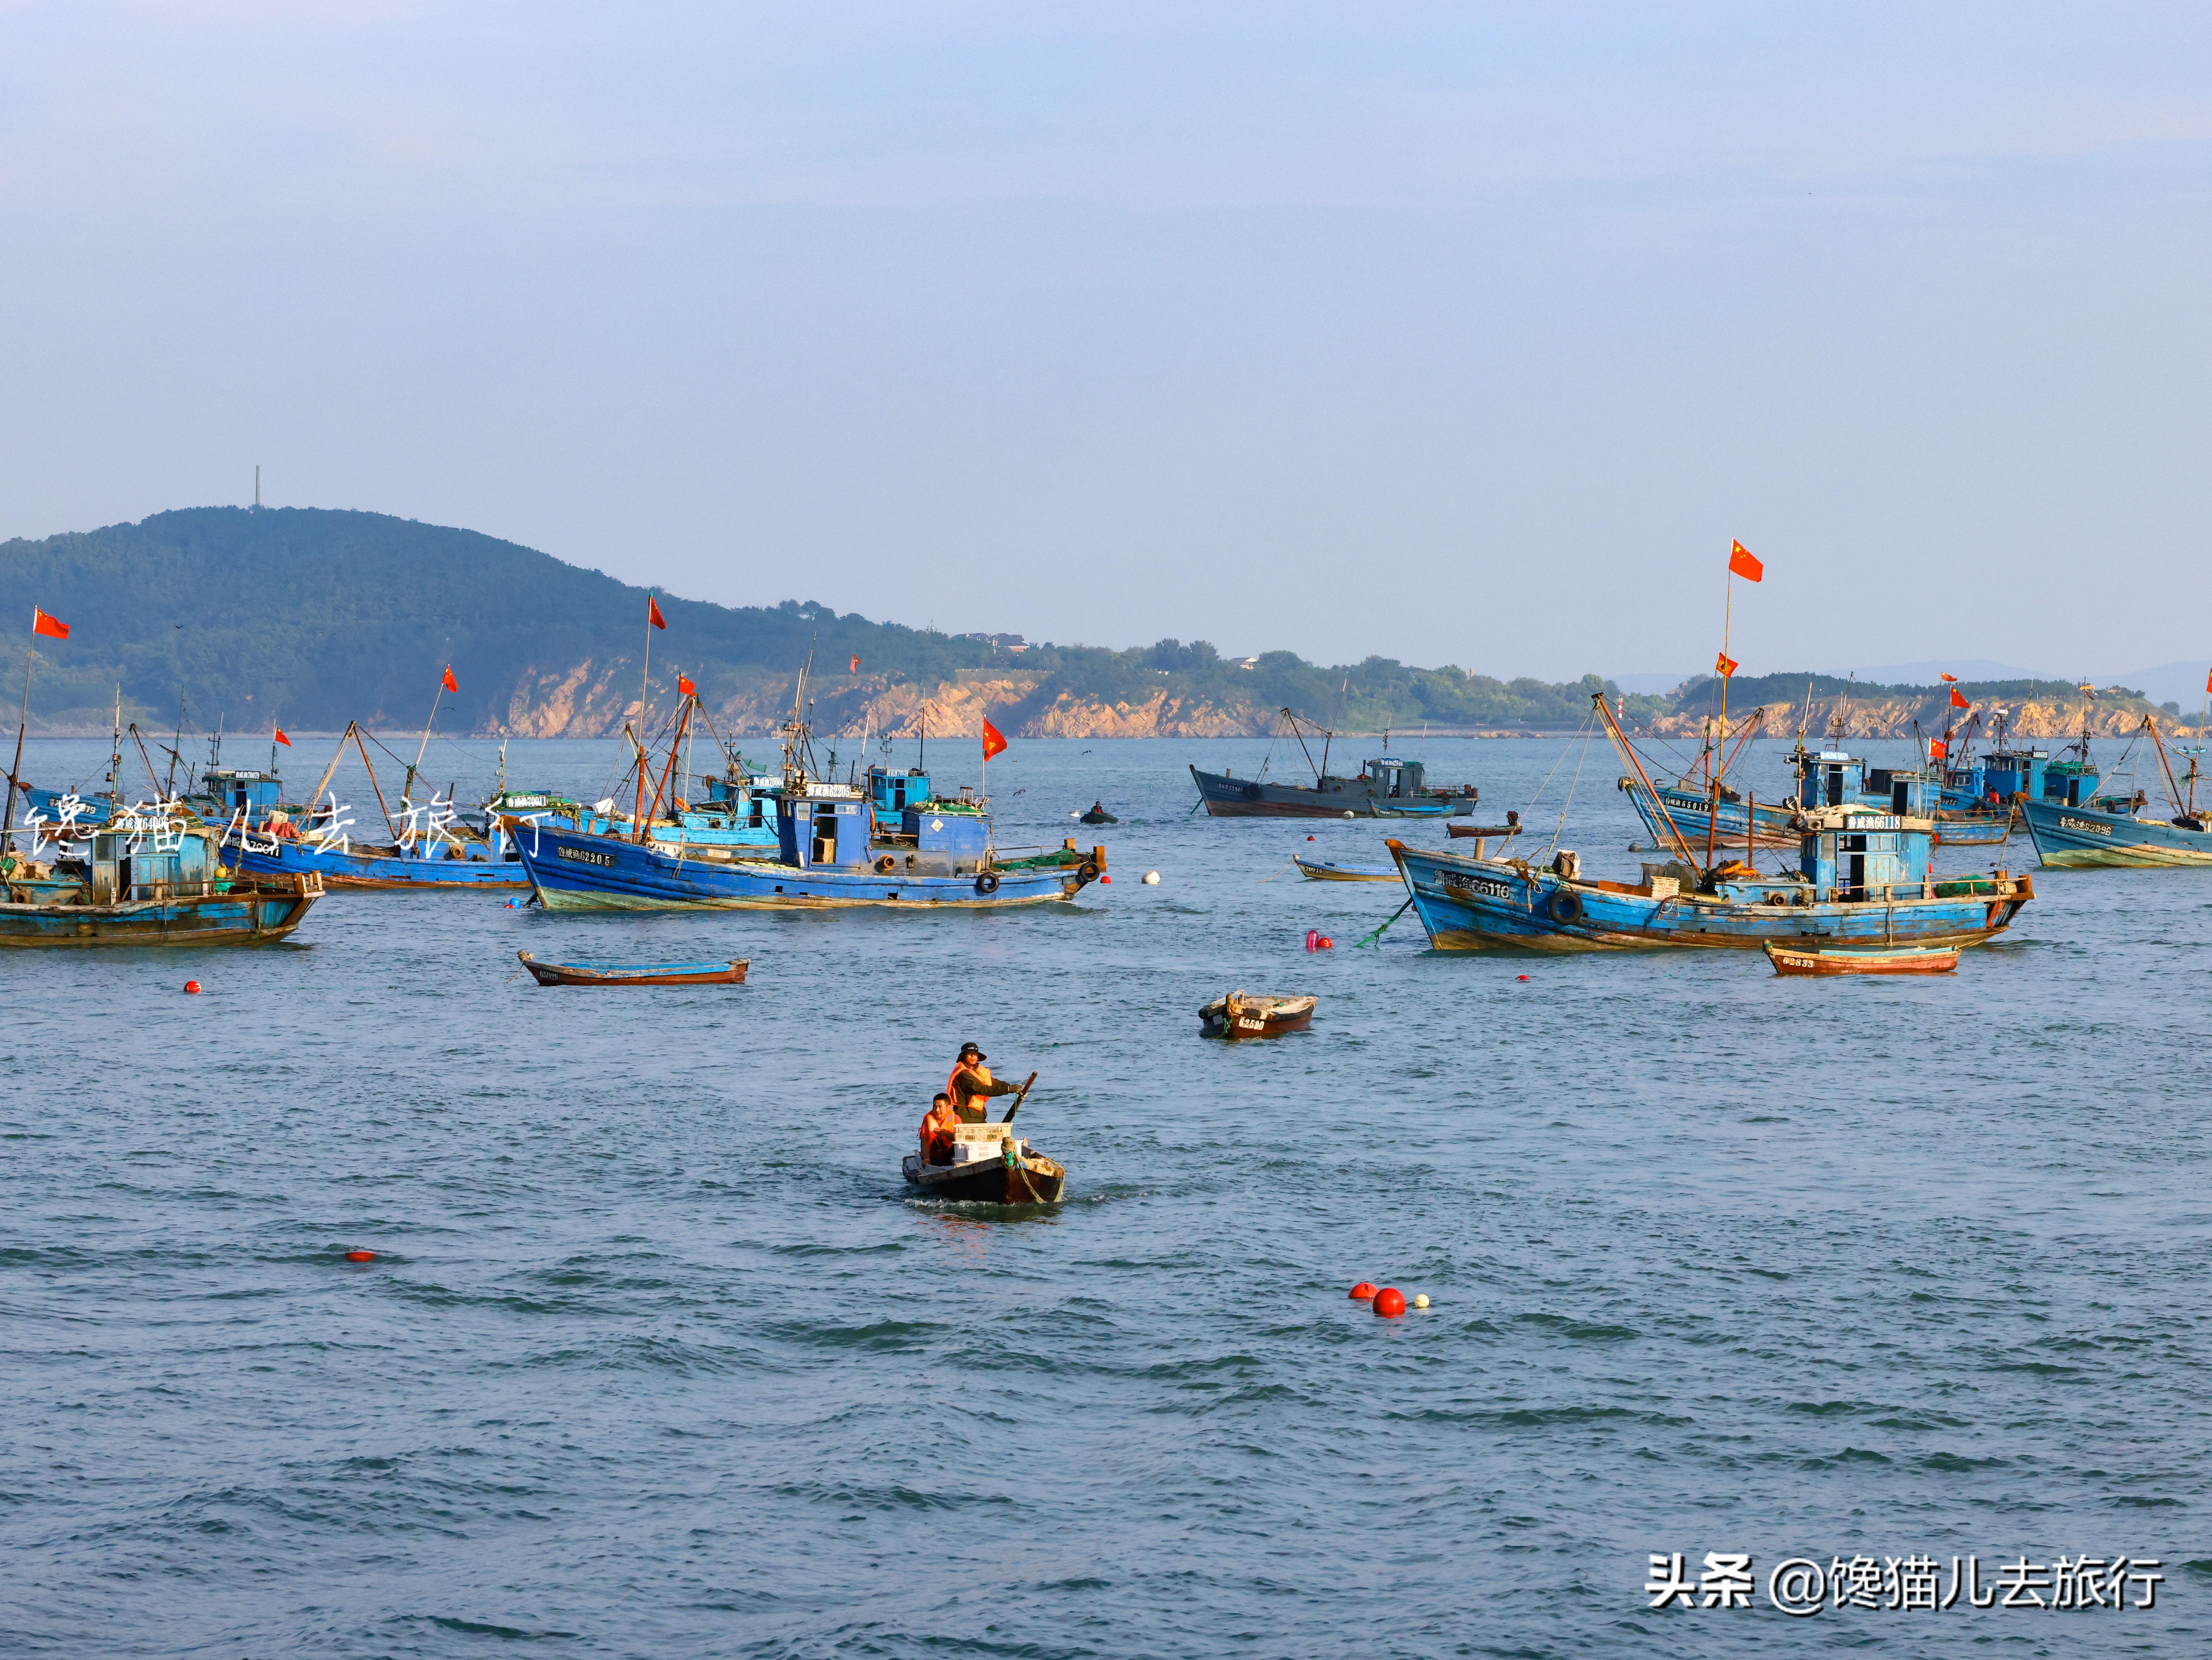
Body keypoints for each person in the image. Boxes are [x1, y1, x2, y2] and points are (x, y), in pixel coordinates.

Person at [946, 1042, 1016, 1123]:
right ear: (964, 1056)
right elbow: (984, 1090)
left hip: (977, 1114)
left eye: (975, 1054)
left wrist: (1013, 1087)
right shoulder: (963, 1074)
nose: (973, 1056)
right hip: (965, 1116)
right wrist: (1008, 1089)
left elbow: (993, 1082)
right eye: (970, 1054)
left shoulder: (977, 1071)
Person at [919, 1092, 961, 1165]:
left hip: (952, 1152)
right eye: (935, 1107)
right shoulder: (928, 1119)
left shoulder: (956, 1119)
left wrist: (946, 1134)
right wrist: (926, 1159)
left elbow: (961, 1139)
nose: (937, 1110)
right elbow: (924, 1141)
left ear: (948, 1108)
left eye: (940, 1107)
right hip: (935, 1154)